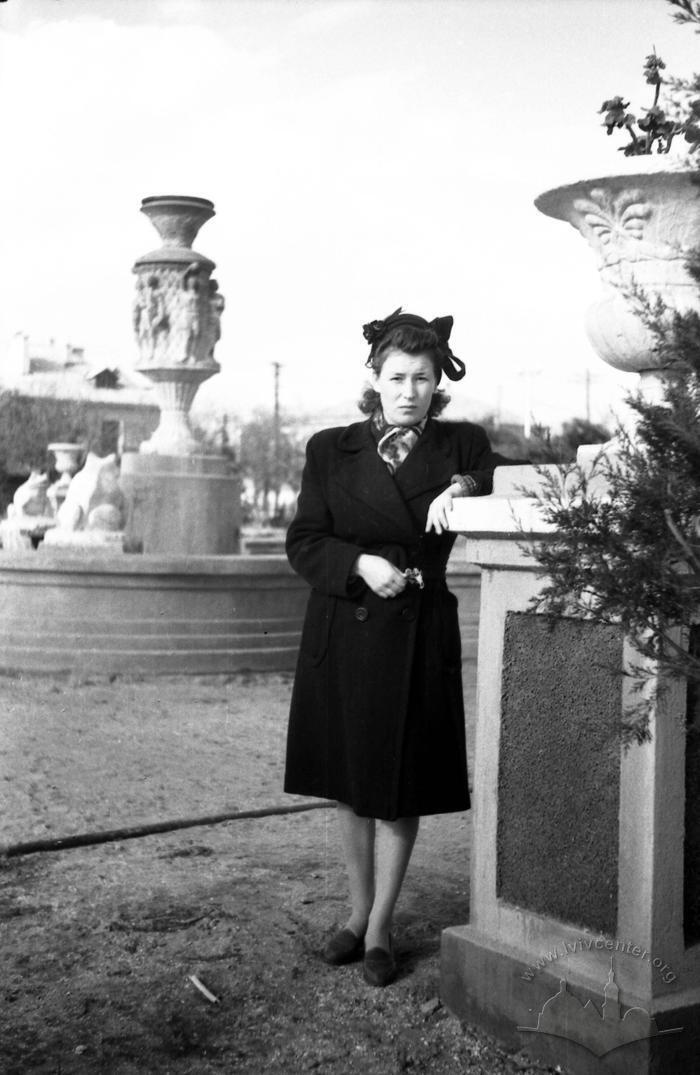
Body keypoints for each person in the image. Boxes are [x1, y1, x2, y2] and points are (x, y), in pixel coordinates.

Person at [284, 308, 518, 988]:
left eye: (423, 376)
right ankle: (355, 915)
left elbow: (506, 478)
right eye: (397, 376)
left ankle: (382, 925)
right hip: (344, 627)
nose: (409, 389)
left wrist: (462, 487)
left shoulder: (462, 447)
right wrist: (359, 563)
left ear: (438, 380)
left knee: (398, 785)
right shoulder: (331, 449)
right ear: (374, 377)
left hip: (417, 634)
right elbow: (305, 540)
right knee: (350, 786)